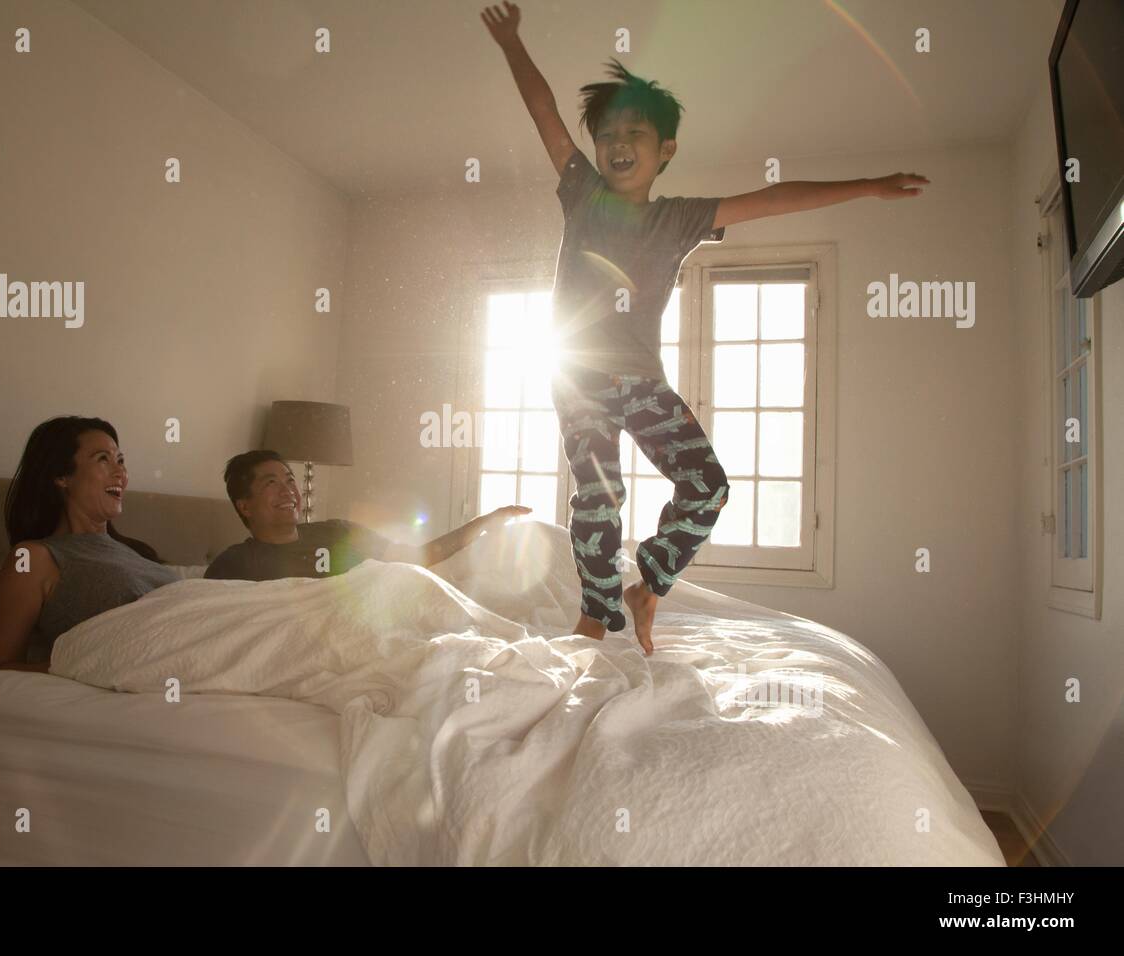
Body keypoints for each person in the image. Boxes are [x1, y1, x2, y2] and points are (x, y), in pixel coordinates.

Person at [481, 2, 928, 653]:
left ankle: (647, 586)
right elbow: (545, 113)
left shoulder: (680, 218)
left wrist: (868, 185)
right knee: (599, 491)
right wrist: (513, 44)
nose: (616, 144)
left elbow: (775, 198)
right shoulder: (581, 192)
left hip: (642, 382)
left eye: (633, 133)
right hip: (576, 375)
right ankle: (595, 613)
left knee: (709, 487)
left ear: (666, 151)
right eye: (606, 134)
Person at [0, 417, 178, 672]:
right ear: (61, 476)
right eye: (103, 459)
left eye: (121, 461)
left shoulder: (138, 553)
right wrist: (85, 666)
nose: (121, 473)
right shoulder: (33, 558)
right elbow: (0, 667)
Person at [205, 450, 529, 582]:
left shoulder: (337, 531)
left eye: (290, 480)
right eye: (271, 483)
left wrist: (484, 522)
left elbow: (420, 557)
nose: (288, 490)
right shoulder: (234, 565)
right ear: (244, 506)